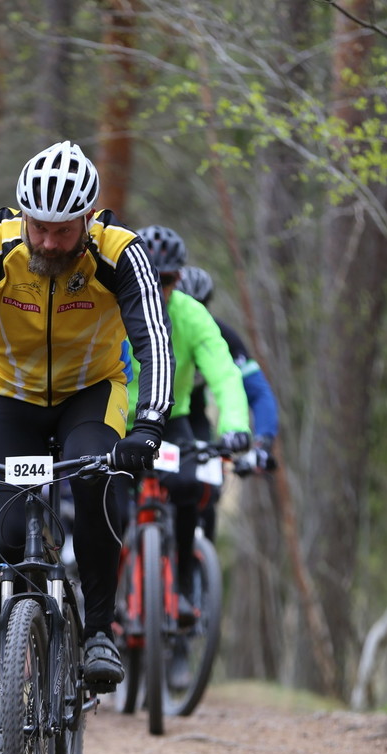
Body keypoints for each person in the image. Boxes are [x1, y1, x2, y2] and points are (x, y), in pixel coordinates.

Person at [0, 140, 174, 754]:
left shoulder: (119, 255)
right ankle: (5, 703)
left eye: (64, 229)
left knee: (99, 481)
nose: (50, 243)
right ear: (22, 216)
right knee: (2, 540)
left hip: (92, 396)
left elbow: (152, 339)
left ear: (89, 220)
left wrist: (149, 424)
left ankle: (99, 629)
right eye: (39, 228)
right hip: (12, 404)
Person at [125, 225, 252, 598]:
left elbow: (225, 374)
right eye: (150, 278)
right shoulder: (113, 304)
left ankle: (181, 582)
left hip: (167, 419)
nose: (159, 290)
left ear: (178, 278)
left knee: (187, 485)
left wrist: (234, 425)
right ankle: (101, 596)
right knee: (105, 501)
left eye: (166, 281)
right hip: (114, 419)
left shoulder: (192, 315)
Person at [178, 264, 279, 540]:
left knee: (207, 494)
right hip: (151, 417)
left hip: (193, 420)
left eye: (200, 306)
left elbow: (258, 392)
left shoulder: (221, 335)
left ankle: (194, 571)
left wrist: (262, 444)